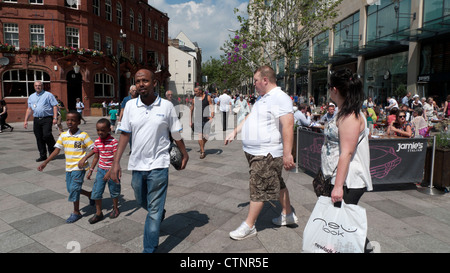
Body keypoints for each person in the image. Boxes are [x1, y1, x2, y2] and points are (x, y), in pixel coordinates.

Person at [110, 69, 189, 253]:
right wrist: (116, 162)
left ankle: (149, 249)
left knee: (152, 212)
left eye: (145, 80)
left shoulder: (166, 106)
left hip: (159, 164)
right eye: (138, 81)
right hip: (137, 163)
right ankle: (159, 211)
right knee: (140, 199)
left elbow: (175, 132)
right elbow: (125, 134)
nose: (141, 84)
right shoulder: (130, 106)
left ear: (154, 83)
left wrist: (184, 153)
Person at [225, 65, 298, 240]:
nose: (254, 85)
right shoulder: (263, 98)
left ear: (265, 80)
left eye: (256, 81)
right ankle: (288, 214)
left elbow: (288, 125)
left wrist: (288, 154)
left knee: (258, 187)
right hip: (255, 151)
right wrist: (235, 131)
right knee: (277, 182)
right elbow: (251, 116)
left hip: (267, 153)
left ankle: (249, 225)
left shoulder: (280, 98)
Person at [321, 68, 372, 252]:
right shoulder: (344, 112)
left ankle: (364, 248)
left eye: (329, 87)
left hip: (349, 181)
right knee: (343, 222)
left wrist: (337, 187)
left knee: (342, 224)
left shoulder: (350, 116)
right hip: (340, 178)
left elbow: (346, 153)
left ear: (335, 89)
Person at [37, 111, 94, 223]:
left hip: (79, 168)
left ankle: (76, 212)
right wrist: (46, 162)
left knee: (74, 189)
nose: (69, 122)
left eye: (73, 120)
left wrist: (84, 158)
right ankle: (90, 194)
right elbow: (57, 150)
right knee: (70, 189)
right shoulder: (63, 135)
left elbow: (94, 148)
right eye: (68, 120)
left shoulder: (83, 135)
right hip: (68, 168)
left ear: (78, 122)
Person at [78, 118, 120, 224]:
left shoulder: (114, 142)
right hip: (101, 170)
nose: (100, 132)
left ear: (108, 130)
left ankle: (115, 208)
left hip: (112, 170)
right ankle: (98, 213)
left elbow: (116, 160)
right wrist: (91, 170)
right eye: (98, 130)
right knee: (96, 192)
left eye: (103, 130)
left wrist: (110, 172)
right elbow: (96, 157)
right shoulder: (97, 141)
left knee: (114, 191)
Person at [24, 81, 58, 162]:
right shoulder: (31, 96)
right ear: (34, 86)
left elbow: (54, 106)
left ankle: (52, 151)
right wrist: (26, 120)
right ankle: (42, 155)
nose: (38, 87)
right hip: (36, 119)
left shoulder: (48, 95)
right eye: (36, 86)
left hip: (47, 118)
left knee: (47, 135)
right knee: (39, 138)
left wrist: (55, 118)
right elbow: (29, 109)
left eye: (39, 85)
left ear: (42, 86)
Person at [190, 86, 214, 159]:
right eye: (194, 91)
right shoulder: (194, 99)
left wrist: (212, 116)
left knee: (206, 136)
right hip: (198, 120)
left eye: (196, 91)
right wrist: (190, 121)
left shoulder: (208, 97)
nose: (195, 93)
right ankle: (202, 152)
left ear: (200, 91)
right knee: (200, 135)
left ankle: (201, 145)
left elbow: (211, 107)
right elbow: (191, 109)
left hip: (206, 119)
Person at [118, 85, 138, 152]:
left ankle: (134, 149)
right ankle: (132, 148)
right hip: (128, 120)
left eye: (136, 90)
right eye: (133, 91)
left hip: (137, 119)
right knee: (129, 136)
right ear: (130, 91)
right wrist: (119, 120)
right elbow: (122, 109)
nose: (135, 92)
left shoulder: (139, 98)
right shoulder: (126, 99)